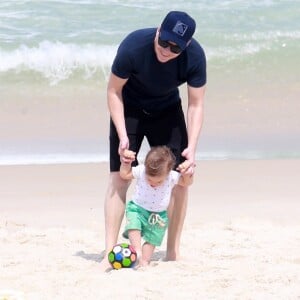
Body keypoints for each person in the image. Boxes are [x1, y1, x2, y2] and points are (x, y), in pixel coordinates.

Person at [100, 10, 206, 271]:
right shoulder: (133, 46)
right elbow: (113, 91)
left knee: (182, 179)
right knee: (118, 176)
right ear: (159, 31)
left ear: (187, 46)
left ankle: (172, 251)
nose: (167, 50)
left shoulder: (194, 57)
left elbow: (196, 104)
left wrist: (191, 147)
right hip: (130, 110)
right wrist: (124, 136)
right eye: (164, 42)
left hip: (167, 112)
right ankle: (109, 251)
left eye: (176, 47)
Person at [120, 146, 193, 267]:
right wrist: (126, 163)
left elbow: (186, 183)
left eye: (159, 182)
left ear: (168, 172)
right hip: (137, 208)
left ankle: (144, 261)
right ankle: (137, 251)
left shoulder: (171, 176)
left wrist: (187, 174)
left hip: (158, 215)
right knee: (133, 226)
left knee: (152, 240)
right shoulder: (142, 170)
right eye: (149, 179)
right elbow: (125, 174)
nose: (153, 183)